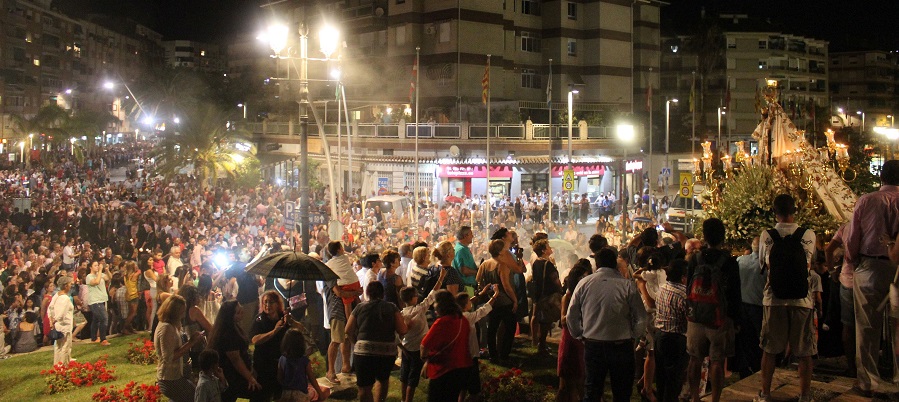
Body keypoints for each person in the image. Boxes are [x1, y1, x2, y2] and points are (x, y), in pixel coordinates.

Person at [844, 159, 899, 396]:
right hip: (897, 270)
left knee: (866, 327)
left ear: (881, 177)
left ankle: (868, 383)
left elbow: (852, 237)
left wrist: (852, 259)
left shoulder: (867, 201)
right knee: (898, 328)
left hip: (870, 266)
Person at [754, 194, 817, 402]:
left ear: (775, 212)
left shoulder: (767, 235)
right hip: (803, 299)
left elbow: (763, 265)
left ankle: (765, 393)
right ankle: (805, 395)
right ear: (794, 210)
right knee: (804, 351)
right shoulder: (808, 234)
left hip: (774, 299)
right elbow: (809, 264)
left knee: (769, 349)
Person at [567, 247, 646, 402]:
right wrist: (633, 335)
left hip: (593, 344)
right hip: (621, 345)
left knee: (592, 390)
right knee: (622, 392)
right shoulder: (626, 285)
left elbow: (571, 315)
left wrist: (580, 334)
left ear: (597, 264)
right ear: (615, 264)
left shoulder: (584, 283)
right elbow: (641, 317)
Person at [686, 218, 741, 402]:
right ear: (723, 236)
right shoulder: (729, 261)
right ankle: (715, 399)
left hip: (696, 317)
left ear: (705, 236)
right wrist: (735, 319)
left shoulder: (696, 258)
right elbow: (735, 291)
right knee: (717, 360)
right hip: (720, 318)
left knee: (694, 359)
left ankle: (695, 397)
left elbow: (688, 287)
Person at [345, 281, 408, 402]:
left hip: (363, 351)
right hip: (385, 353)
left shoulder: (360, 307)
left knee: (364, 388)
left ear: (367, 293)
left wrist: (356, 342)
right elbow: (402, 329)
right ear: (382, 293)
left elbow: (348, 330)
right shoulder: (391, 307)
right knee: (383, 380)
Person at [399, 269, 447, 402]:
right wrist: (441, 277)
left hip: (406, 348)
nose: (418, 296)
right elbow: (432, 295)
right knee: (413, 378)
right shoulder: (419, 310)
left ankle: (403, 399)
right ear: (412, 298)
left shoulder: (401, 314)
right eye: (415, 295)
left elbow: (396, 333)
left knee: (404, 375)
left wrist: (402, 348)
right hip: (417, 349)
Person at [421, 290, 473, 402]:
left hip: (443, 370)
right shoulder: (463, 320)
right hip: (460, 367)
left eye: (434, 303)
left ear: (440, 305)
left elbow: (424, 345)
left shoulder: (441, 322)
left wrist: (425, 359)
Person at [208, 300, 263, 402]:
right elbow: (236, 360)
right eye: (238, 312)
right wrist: (250, 377)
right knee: (255, 393)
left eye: (240, 308)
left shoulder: (234, 326)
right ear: (230, 316)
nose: (241, 312)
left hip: (237, 373)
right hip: (232, 375)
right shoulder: (228, 334)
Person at [155, 294, 206, 402]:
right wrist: (191, 343)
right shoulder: (166, 328)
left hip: (176, 375)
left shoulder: (172, 325)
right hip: (169, 378)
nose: (184, 315)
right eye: (182, 311)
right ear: (173, 312)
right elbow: (169, 357)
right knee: (195, 397)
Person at [476, 239, 517, 364]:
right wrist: (515, 300)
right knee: (510, 328)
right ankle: (504, 355)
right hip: (504, 301)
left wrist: (487, 290)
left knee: (492, 328)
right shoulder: (501, 265)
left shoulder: (485, 264)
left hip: (492, 301)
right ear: (501, 251)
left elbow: (478, 280)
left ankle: (493, 355)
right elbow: (506, 286)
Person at [653, 259, 689, 402]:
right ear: (683, 276)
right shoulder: (684, 294)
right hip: (676, 338)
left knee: (661, 377)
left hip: (660, 335)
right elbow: (688, 317)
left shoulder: (662, 287)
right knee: (674, 380)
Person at [557, 259, 591, 402]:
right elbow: (564, 320)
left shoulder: (587, 295)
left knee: (581, 379)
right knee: (569, 382)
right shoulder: (569, 296)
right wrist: (576, 313)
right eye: (582, 277)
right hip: (570, 340)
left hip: (582, 341)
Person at [824, 224, 856, 378]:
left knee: (848, 325)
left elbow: (828, 249)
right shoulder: (876, 224)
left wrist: (831, 271)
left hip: (848, 279)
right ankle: (868, 367)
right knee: (868, 326)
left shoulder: (847, 227)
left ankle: (852, 367)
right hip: (870, 278)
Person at [457, 286, 499, 401]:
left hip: (460, 354)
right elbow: (483, 310)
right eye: (468, 302)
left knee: (463, 384)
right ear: (465, 305)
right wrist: (495, 295)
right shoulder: (468, 317)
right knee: (473, 384)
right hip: (470, 354)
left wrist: (481, 293)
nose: (471, 302)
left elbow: (471, 301)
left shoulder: (456, 315)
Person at [251, 290, 291, 402]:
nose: (267, 305)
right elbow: (255, 340)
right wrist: (274, 331)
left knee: (280, 394)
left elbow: (299, 332)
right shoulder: (259, 319)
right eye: (265, 302)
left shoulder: (283, 317)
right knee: (264, 394)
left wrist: (291, 321)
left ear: (277, 304)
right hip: (264, 363)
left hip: (281, 361)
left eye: (271, 302)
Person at [737, 237, 765, 378]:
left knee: (745, 339)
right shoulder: (764, 265)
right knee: (760, 340)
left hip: (742, 305)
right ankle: (758, 367)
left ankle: (745, 368)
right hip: (758, 307)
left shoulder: (741, 261)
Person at [530, 238, 562, 356]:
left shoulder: (536, 263)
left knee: (543, 320)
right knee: (546, 322)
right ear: (544, 250)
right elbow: (555, 280)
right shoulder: (547, 264)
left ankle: (540, 344)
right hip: (548, 295)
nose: (550, 248)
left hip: (539, 295)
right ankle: (542, 346)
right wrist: (561, 290)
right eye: (548, 246)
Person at [278, 328, 327, 402]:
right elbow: (312, 378)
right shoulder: (304, 360)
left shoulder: (282, 359)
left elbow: (279, 377)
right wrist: (320, 393)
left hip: (286, 393)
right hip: (301, 394)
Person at [49, 275, 75, 365]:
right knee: (65, 347)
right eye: (69, 284)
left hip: (58, 325)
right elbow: (61, 314)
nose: (71, 286)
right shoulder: (65, 299)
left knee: (58, 346)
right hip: (64, 326)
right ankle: (63, 366)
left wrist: (51, 319)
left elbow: (51, 308)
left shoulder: (56, 295)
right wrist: (54, 320)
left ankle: (57, 364)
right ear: (65, 286)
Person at [85, 261, 111, 345]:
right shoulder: (89, 276)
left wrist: (106, 270)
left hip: (102, 299)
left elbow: (109, 278)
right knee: (104, 318)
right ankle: (103, 339)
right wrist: (100, 271)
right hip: (95, 301)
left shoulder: (100, 274)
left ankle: (94, 338)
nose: (97, 267)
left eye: (97, 265)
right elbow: (96, 282)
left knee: (95, 320)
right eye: (95, 265)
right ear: (90, 267)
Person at [452, 226, 478, 297]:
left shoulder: (461, 248)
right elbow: (464, 270)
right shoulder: (461, 250)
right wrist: (478, 271)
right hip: (466, 287)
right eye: (471, 234)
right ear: (465, 236)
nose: (472, 236)